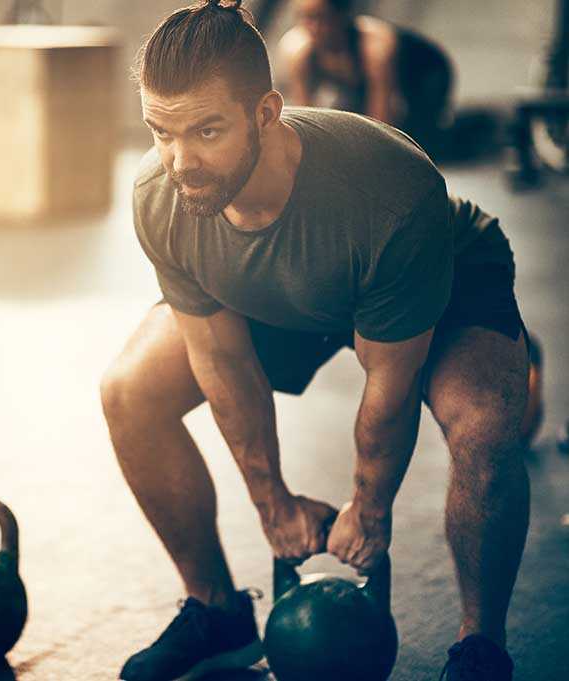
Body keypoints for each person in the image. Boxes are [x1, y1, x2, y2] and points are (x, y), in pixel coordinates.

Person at [100, 2, 535, 680]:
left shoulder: (388, 189)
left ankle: (481, 645)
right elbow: (220, 360)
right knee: (128, 391)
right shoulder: (164, 195)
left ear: (266, 113)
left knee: (483, 425)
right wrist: (272, 504)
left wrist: (368, 506)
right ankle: (216, 611)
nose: (180, 161)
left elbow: (386, 384)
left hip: (437, 276)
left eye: (206, 130)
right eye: (161, 132)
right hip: (280, 290)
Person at [277, 0, 452, 156]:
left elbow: (381, 121)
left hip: (426, 73)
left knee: (420, 141)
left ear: (341, 16)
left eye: (321, 18)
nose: (313, 28)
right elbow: (306, 118)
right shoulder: (297, 50)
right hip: (359, 81)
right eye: (305, 18)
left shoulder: (375, 48)